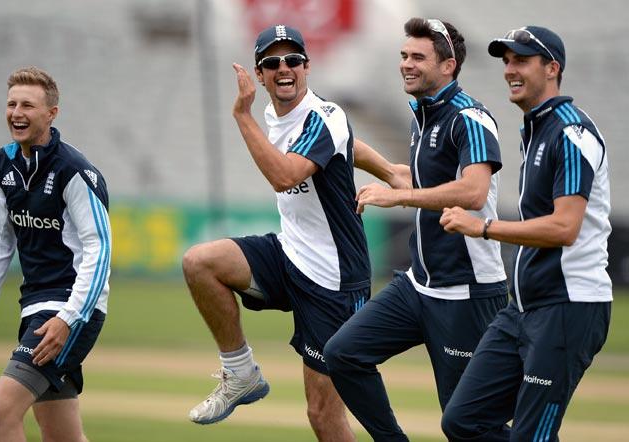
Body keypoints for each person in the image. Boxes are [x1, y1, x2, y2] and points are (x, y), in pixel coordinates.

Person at [182, 25, 408, 440]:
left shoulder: (325, 115)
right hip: (291, 256)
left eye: (292, 60)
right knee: (200, 262)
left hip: (334, 279)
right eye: (272, 62)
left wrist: (240, 115)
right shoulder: (280, 114)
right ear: (260, 73)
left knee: (323, 414)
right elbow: (347, 145)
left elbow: (285, 176)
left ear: (307, 66)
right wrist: (391, 170)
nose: (283, 68)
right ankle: (240, 373)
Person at [323, 18, 509, 441]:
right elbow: (430, 182)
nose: (406, 64)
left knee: (469, 428)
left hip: (466, 294)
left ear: (448, 66)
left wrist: (401, 198)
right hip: (418, 286)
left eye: (418, 57)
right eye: (404, 55)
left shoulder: (470, 118)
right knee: (344, 353)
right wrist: (392, 177)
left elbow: (474, 192)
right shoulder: (423, 115)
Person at [440, 26, 612, 441]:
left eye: (521, 60)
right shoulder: (535, 129)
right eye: (507, 61)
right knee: (462, 421)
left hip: (568, 308)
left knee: (531, 436)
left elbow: (564, 227)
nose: (509, 70)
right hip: (523, 310)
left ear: (552, 68)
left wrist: (483, 227)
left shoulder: (570, 133)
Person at [0, 66, 111, 442]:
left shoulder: (73, 170)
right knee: (61, 434)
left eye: (28, 105)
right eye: (11, 104)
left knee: (0, 409)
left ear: (51, 114)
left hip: (69, 310)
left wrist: (69, 317)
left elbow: (99, 248)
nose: (16, 112)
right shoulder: (2, 166)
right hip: (34, 307)